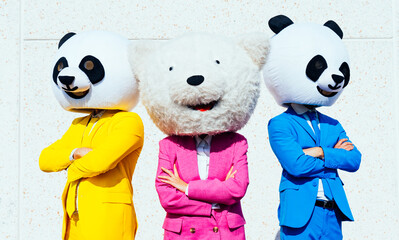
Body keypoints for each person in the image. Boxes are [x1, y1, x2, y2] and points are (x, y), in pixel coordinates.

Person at [130, 32, 269, 239]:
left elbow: (237, 189)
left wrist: (188, 188)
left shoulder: (236, 143)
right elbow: (168, 197)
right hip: (184, 233)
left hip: (224, 232)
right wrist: (214, 202)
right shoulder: (169, 145)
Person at [263, 15, 361, 239]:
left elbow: (355, 160)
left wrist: (319, 152)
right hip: (300, 214)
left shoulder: (332, 124)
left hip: (332, 212)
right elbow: (296, 164)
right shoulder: (280, 124)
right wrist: (335, 156)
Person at [39, 31, 143, 240]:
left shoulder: (129, 121)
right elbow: (45, 160)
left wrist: (68, 166)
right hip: (74, 217)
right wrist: (75, 153)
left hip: (108, 216)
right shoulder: (79, 123)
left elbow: (99, 162)